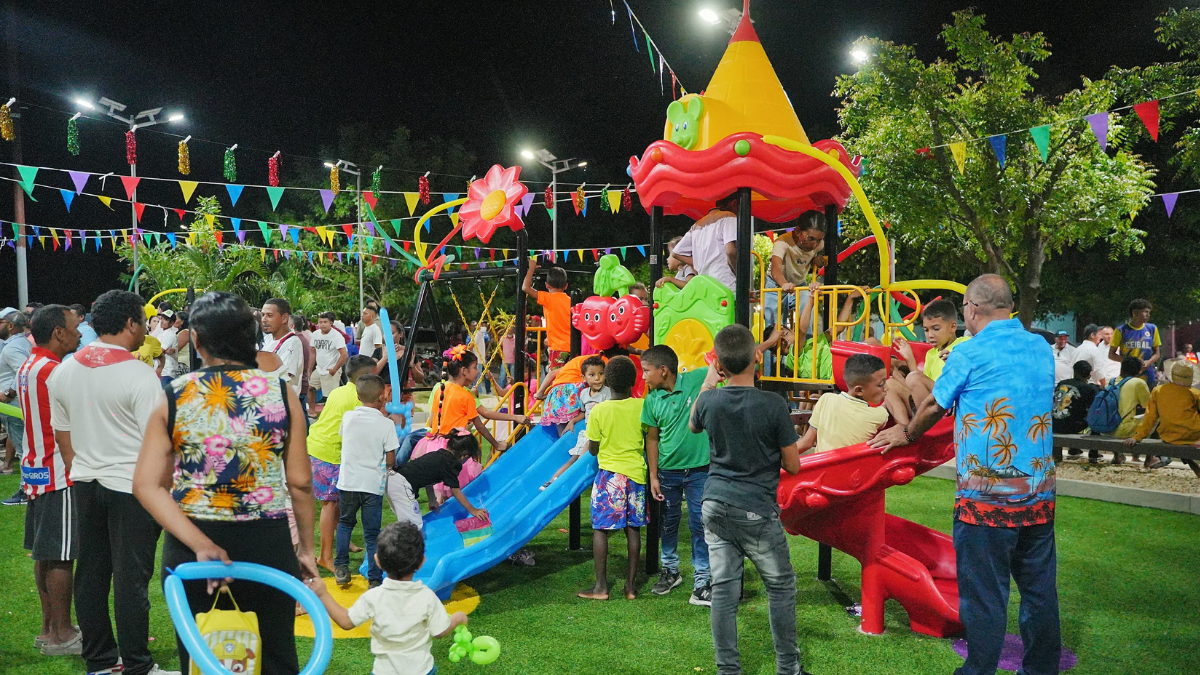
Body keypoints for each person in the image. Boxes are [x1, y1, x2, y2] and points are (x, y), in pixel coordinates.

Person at [870, 274, 1060, 675]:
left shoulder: (970, 353)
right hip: (1039, 495)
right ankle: (1042, 669)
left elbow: (934, 406)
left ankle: (978, 671)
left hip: (986, 498)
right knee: (1039, 593)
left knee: (985, 596)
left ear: (972, 310)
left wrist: (906, 432)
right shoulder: (1042, 348)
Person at [133, 291, 318, 675]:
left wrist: (202, 544)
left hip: (193, 544)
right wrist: (306, 548)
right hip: (267, 541)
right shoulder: (281, 393)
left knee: (204, 655)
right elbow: (300, 483)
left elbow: (148, 485)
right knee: (275, 654)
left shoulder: (174, 395)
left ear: (196, 339)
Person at [50, 290, 179, 675]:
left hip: (85, 482)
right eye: (143, 321)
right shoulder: (139, 373)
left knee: (91, 575)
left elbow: (64, 436)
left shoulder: (65, 369)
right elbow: (159, 443)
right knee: (130, 579)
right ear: (130, 324)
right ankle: (138, 665)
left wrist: (86, 469)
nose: (146, 328)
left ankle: (101, 661)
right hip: (131, 488)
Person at [688, 324, 803, 675]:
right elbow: (793, 466)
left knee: (723, 591)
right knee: (780, 587)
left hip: (714, 504)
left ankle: (728, 670)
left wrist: (711, 378)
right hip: (755, 508)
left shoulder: (709, 399)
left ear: (719, 364)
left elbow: (694, 425)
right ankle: (788, 669)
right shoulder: (773, 404)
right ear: (758, 356)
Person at [306, 522, 467, 675]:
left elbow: (346, 622)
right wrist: (456, 619)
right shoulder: (427, 596)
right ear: (421, 563)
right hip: (421, 671)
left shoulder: (373, 597)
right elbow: (439, 632)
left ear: (377, 561)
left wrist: (322, 594)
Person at [20, 305, 83, 656]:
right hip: (59, 470)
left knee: (44, 554)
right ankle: (62, 635)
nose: (80, 332)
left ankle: (50, 629)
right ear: (58, 332)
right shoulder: (55, 371)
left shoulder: (30, 365)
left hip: (36, 468)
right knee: (61, 556)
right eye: (75, 326)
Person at [641, 345, 713, 605]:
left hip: (699, 471)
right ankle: (670, 571)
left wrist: (765, 345)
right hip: (667, 473)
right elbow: (652, 438)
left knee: (699, 523)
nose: (643, 377)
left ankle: (702, 580)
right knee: (668, 523)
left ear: (663, 370)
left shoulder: (695, 379)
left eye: (646, 371)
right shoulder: (651, 400)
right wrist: (654, 476)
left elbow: (723, 366)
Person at [577, 356, 647, 601]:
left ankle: (600, 587)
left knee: (601, 529)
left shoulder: (600, 410)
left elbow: (593, 449)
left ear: (608, 380)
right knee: (633, 529)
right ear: (634, 380)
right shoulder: (642, 407)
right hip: (636, 475)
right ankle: (630, 587)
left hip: (609, 477)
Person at [307, 354, 378, 572]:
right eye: (374, 377)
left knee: (337, 501)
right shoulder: (358, 399)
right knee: (330, 505)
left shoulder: (339, 391)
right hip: (330, 454)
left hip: (319, 447)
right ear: (365, 378)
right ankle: (325, 556)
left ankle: (343, 543)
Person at [334, 374, 400, 588]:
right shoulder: (386, 424)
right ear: (382, 397)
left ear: (358, 395)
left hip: (347, 483)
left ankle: (341, 568)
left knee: (345, 524)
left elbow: (346, 439)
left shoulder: (348, 418)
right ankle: (374, 579)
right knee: (372, 534)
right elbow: (391, 458)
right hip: (372, 485)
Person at [386, 429, 489, 530]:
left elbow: (428, 478)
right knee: (413, 526)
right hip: (401, 485)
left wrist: (432, 500)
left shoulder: (439, 455)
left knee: (406, 521)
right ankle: (408, 545)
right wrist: (473, 510)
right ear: (464, 456)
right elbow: (456, 491)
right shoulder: (450, 463)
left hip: (392, 480)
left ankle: (399, 540)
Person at [798, 353, 890, 454]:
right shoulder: (878, 415)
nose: (886, 387)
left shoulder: (826, 399)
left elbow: (806, 442)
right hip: (853, 469)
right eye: (881, 384)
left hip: (822, 467)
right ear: (859, 390)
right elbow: (887, 403)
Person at [542, 356, 609, 490]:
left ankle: (566, 480)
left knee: (582, 459)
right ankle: (553, 480)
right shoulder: (584, 394)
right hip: (588, 432)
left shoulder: (607, 393)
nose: (597, 378)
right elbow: (584, 412)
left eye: (601, 374)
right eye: (592, 375)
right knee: (574, 459)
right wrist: (572, 420)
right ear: (584, 378)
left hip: (600, 433)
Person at [1122, 362, 1200, 476]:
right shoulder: (1195, 393)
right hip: (1194, 435)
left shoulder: (1158, 391)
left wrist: (1137, 437)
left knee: (1171, 431)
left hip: (1169, 435)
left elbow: (1150, 417)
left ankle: (1194, 467)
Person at [897, 298, 970, 410]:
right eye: (926, 330)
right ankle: (905, 425)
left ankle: (923, 423)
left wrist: (955, 362)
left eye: (936, 329)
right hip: (933, 399)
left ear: (953, 327)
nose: (930, 335)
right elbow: (921, 386)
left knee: (914, 378)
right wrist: (909, 357)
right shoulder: (931, 353)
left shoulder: (964, 344)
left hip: (952, 402)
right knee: (891, 384)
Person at [765, 211, 827, 328]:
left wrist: (815, 259)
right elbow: (775, 270)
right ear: (798, 231)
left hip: (799, 284)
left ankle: (806, 343)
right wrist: (784, 284)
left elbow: (807, 257)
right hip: (775, 285)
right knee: (774, 325)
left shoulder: (819, 245)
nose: (814, 244)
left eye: (819, 240)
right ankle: (772, 345)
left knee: (808, 308)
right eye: (811, 238)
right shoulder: (782, 243)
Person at [670, 193, 738, 291]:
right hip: (726, 283)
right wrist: (740, 275)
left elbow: (676, 253)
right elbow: (730, 251)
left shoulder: (697, 225)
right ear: (734, 204)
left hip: (706, 286)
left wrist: (700, 262)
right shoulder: (729, 216)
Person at [0, 308, 32, 494]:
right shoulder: (19, 343)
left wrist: (8, 393)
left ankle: (25, 490)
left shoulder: (12, 347)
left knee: (23, 449)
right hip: (18, 404)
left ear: (10, 326)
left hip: (14, 406)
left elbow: (24, 371)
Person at [522, 257, 572, 369]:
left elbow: (525, 287)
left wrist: (531, 269)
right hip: (572, 347)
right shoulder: (571, 301)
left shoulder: (548, 298)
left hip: (557, 347)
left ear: (547, 285)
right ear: (566, 286)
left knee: (555, 378)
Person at [1109, 298, 1161, 386]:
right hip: (1127, 376)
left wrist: (1148, 362)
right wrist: (1131, 362)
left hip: (1148, 376)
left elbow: (1157, 353)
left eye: (1149, 312)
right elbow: (1111, 355)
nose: (1148, 315)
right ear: (1135, 313)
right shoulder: (1121, 330)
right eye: (1145, 312)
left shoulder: (1152, 329)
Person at [261, 298, 303, 400]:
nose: (264, 319)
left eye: (269, 315)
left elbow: (282, 378)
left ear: (284, 318)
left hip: (282, 403)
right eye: (263, 315)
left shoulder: (292, 343)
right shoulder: (267, 339)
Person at [309, 311, 349, 409]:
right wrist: (309, 369)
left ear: (330, 323)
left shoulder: (337, 336)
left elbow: (344, 355)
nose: (322, 324)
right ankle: (312, 411)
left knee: (330, 397)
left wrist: (334, 369)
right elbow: (313, 353)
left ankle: (330, 416)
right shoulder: (315, 334)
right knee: (309, 388)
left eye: (325, 322)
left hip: (331, 369)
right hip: (319, 369)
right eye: (320, 322)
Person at [1052, 361, 1101, 436]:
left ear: (1074, 372)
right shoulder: (1088, 389)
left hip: (1054, 423)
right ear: (1089, 376)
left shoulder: (1061, 383)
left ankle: (1073, 448)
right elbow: (1092, 410)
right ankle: (1093, 446)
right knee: (1095, 417)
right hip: (1072, 426)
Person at [1111, 356, 1151, 444]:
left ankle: (1117, 456)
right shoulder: (1138, 382)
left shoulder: (1111, 382)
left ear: (1121, 369)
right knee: (1154, 417)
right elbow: (1149, 406)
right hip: (1123, 430)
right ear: (1138, 372)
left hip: (1105, 428)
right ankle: (1149, 456)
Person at [292, 314, 315, 414]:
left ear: (292, 326)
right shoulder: (303, 338)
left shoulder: (296, 340)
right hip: (302, 382)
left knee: (300, 413)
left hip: (299, 384)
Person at [156, 308, 179, 384]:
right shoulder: (161, 334)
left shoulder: (170, 335)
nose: (161, 321)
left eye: (165, 319)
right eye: (161, 318)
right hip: (161, 371)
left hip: (167, 372)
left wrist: (161, 351)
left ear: (172, 323)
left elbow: (159, 351)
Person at [499, 325, 516, 390]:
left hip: (513, 360)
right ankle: (500, 389)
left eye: (511, 329)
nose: (510, 331)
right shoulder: (503, 338)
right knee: (502, 376)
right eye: (509, 329)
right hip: (505, 360)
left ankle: (512, 389)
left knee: (512, 377)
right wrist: (501, 355)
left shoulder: (516, 339)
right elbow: (499, 347)